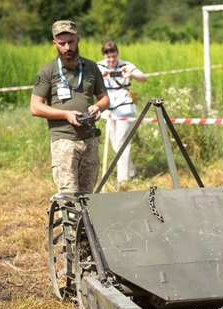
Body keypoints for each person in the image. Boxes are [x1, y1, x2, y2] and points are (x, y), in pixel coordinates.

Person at [30, 20, 109, 194]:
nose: (67, 47)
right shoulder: (47, 71)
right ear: (55, 44)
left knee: (88, 196)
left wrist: (97, 107)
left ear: (78, 39)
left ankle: (83, 223)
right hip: (64, 140)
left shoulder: (91, 67)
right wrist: (66, 115)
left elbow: (104, 99)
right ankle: (69, 223)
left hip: (90, 139)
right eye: (62, 43)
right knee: (69, 195)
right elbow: (35, 107)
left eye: (71, 42)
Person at [97, 41, 147, 186]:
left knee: (122, 144)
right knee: (115, 145)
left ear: (117, 54)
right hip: (108, 109)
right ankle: (132, 172)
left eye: (114, 56)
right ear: (103, 56)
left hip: (125, 108)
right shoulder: (99, 66)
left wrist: (131, 74)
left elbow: (143, 78)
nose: (112, 60)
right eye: (108, 57)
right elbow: (88, 81)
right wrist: (102, 76)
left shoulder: (126, 65)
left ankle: (122, 180)